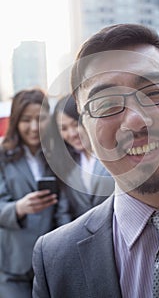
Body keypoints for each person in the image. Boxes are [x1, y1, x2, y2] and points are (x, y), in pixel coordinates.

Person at [32, 24, 159, 298]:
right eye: (106, 105)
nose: (136, 121)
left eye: (154, 93)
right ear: (85, 136)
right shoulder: (55, 260)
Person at [0, 89, 71, 298]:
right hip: (13, 264)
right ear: (16, 121)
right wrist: (19, 208)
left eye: (39, 119)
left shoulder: (55, 154)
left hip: (50, 258)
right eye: (26, 120)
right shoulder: (3, 157)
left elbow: (63, 206)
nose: (33, 127)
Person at [45, 94, 115, 219]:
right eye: (64, 128)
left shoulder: (114, 153)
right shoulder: (66, 162)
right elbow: (64, 211)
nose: (71, 134)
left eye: (75, 124)